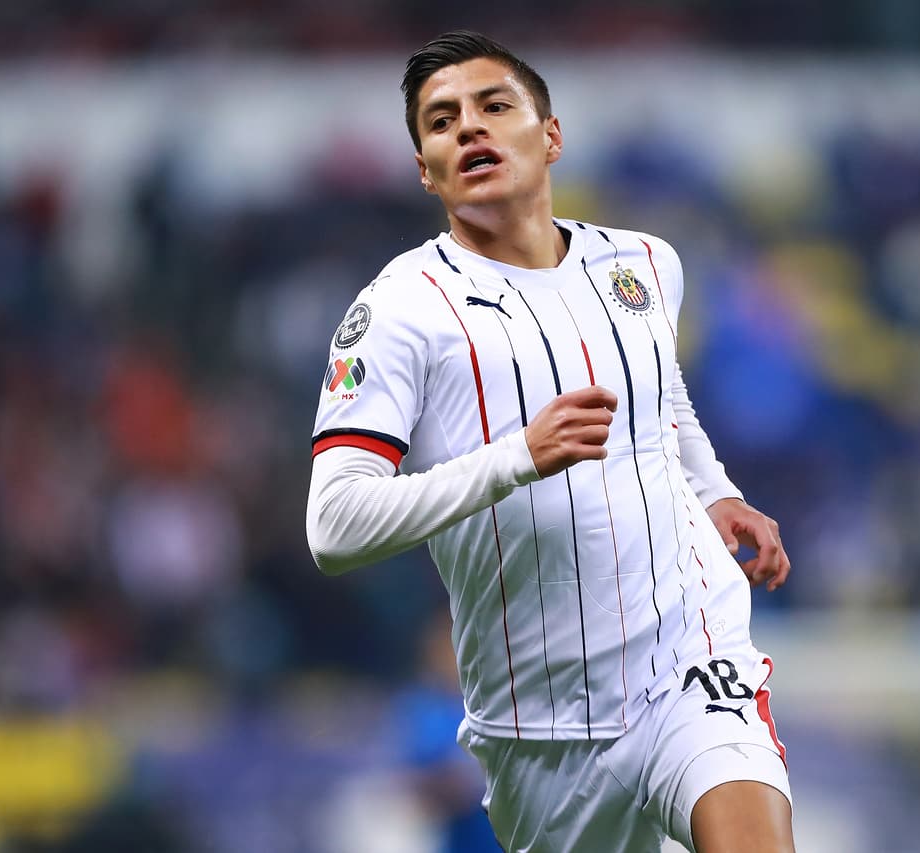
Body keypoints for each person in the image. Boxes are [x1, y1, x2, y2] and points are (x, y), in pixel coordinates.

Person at [306, 30, 794, 853]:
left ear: (552, 136)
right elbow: (334, 525)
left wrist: (715, 490)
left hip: (688, 659)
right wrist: (516, 458)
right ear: (426, 169)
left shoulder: (643, 265)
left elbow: (661, 395)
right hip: (541, 724)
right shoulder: (398, 312)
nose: (470, 129)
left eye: (494, 107)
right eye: (441, 121)